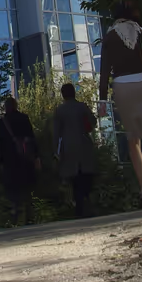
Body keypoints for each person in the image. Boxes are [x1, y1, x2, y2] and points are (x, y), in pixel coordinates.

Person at [98, 0, 142, 209]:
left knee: (133, 140)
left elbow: (104, 72)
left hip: (122, 88)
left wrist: (102, 100)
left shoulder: (110, 37)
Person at [53, 82, 98, 218]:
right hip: (84, 144)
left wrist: (56, 151)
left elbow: (56, 132)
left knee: (74, 178)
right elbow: (93, 122)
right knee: (86, 175)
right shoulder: (82, 106)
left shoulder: (60, 110)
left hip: (68, 147)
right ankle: (87, 201)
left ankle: (79, 207)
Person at [0, 96, 39, 223]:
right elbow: (32, 138)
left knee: (13, 187)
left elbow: (0, 143)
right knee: (26, 185)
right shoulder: (24, 118)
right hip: (25, 157)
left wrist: (1, 161)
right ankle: (29, 214)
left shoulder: (3, 121)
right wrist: (36, 156)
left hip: (10, 159)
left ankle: (15, 214)